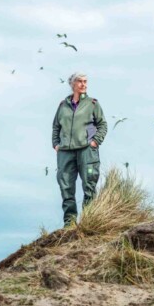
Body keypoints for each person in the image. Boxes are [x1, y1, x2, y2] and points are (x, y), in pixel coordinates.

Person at [52, 72, 108, 226]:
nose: (83, 84)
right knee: (66, 187)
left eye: (85, 81)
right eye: (80, 81)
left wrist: (95, 141)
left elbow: (102, 125)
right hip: (65, 152)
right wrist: (56, 144)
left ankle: (89, 222)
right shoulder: (63, 106)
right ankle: (69, 223)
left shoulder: (93, 104)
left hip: (86, 151)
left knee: (89, 185)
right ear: (72, 84)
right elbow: (56, 126)